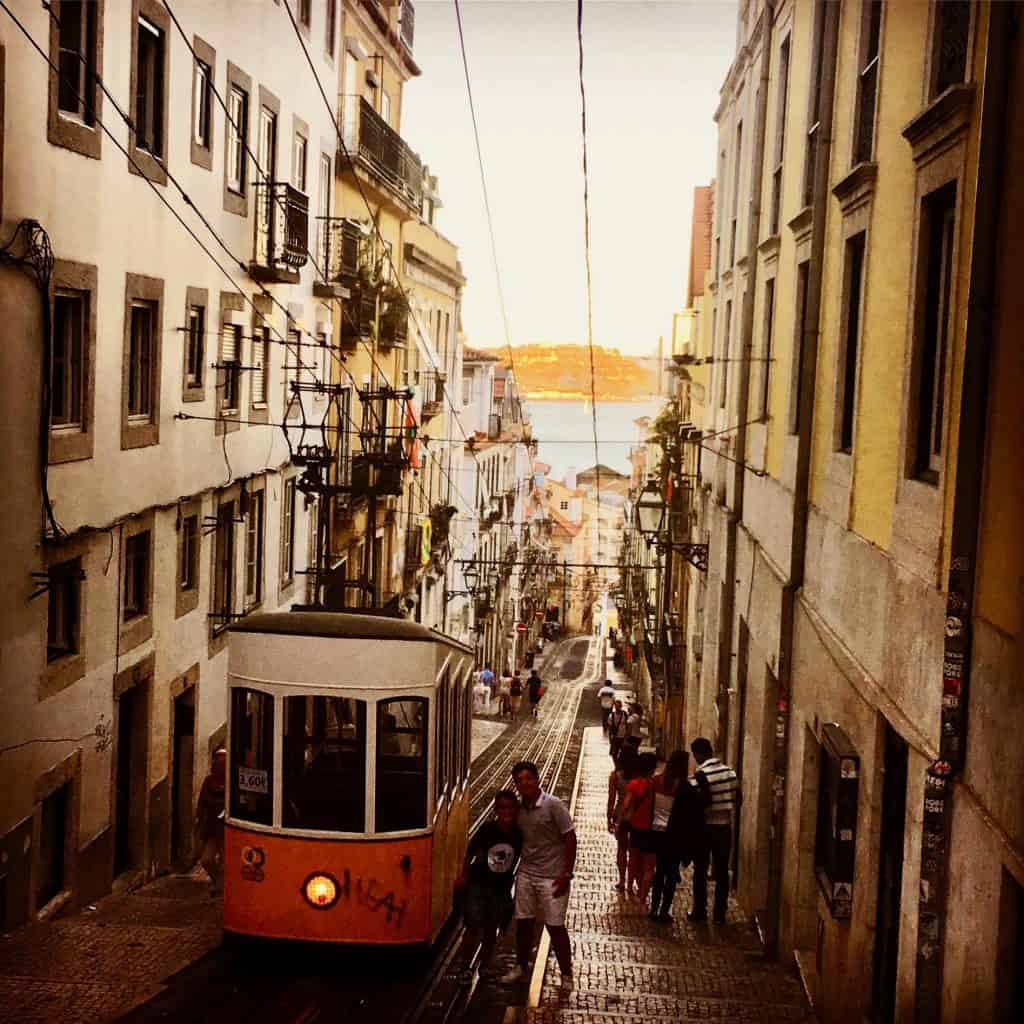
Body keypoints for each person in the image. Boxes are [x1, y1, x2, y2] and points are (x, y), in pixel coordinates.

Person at [504, 761, 576, 987]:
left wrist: (567, 874)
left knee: (555, 926)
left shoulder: (553, 805)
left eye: (528, 778)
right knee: (523, 923)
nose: (524, 783)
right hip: (526, 873)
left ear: (537, 779)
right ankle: (520, 966)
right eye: (519, 780)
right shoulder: (519, 809)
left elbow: (570, 838)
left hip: (553, 876)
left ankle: (566, 974)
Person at [454, 790, 523, 984]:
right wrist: (464, 875)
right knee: (473, 926)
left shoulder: (518, 834)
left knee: (491, 929)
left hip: (500, 888)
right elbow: (470, 851)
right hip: (479, 885)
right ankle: (465, 968)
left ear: (516, 810)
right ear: (496, 810)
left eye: (510, 808)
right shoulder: (487, 830)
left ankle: (484, 966)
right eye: (502, 808)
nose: (506, 812)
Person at [689, 737, 740, 924]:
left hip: (704, 828)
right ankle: (720, 913)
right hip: (724, 828)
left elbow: (695, 804)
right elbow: (737, 798)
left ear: (699, 754)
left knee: (700, 871)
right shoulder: (730, 773)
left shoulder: (699, 776)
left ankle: (699, 911)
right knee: (722, 872)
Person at [649, 750, 703, 922]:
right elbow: (692, 815)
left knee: (658, 872)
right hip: (674, 837)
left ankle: (654, 908)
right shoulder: (685, 788)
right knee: (671, 874)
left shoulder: (656, 781)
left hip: (656, 833)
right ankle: (665, 910)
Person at [614, 752, 659, 902]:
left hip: (636, 826)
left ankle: (628, 886)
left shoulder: (634, 784)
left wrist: (619, 822)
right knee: (649, 865)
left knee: (633, 857)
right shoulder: (656, 784)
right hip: (653, 828)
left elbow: (626, 806)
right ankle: (642, 895)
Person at [606, 747, 639, 892]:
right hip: (637, 816)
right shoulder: (639, 777)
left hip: (620, 815)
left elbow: (611, 799)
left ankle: (621, 880)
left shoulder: (615, 776)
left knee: (621, 848)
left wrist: (609, 818)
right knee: (634, 851)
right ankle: (632, 883)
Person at [196, 748, 227, 896]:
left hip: (228, 829)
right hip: (212, 829)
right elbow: (202, 803)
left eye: (224, 761)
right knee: (206, 860)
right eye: (219, 761)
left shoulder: (230, 781)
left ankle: (221, 887)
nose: (221, 764)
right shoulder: (209, 781)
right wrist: (200, 821)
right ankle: (218, 881)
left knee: (225, 862)